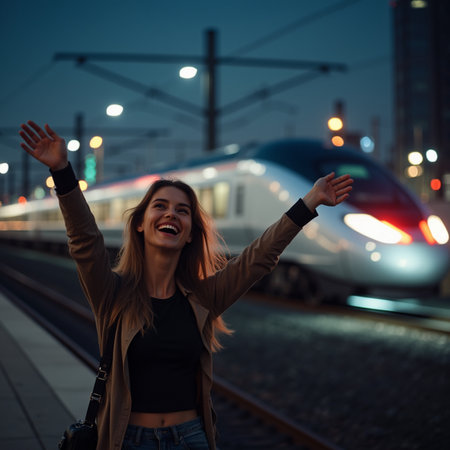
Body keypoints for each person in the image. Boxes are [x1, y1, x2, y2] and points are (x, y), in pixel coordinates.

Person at [19, 120, 353, 450]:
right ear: (139, 224)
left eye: (183, 211)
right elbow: (85, 242)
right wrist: (62, 172)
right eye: (160, 206)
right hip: (127, 440)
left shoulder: (204, 297)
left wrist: (309, 203)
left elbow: (258, 258)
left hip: (191, 438)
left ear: (190, 232)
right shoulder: (113, 294)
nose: (171, 215)